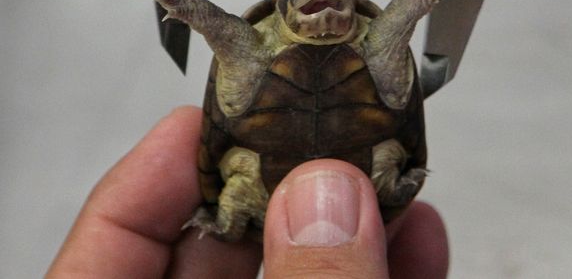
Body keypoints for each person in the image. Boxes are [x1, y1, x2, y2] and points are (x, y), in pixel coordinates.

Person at [47, 106, 449, 278]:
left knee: (390, 163)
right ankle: (229, 219)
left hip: (358, 172)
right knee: (237, 188)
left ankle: (392, 186)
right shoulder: (259, 38)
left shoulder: (370, 38)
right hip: (260, 182)